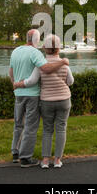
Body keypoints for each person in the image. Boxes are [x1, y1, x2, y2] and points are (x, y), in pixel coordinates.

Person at [9, 29, 69, 168]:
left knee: (18, 124)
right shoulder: (36, 53)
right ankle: (25, 158)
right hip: (32, 94)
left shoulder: (16, 50)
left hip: (18, 93)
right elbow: (46, 69)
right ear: (36, 40)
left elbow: (11, 71)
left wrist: (15, 84)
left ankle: (15, 152)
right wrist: (62, 62)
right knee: (31, 126)